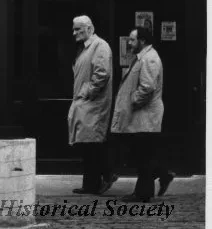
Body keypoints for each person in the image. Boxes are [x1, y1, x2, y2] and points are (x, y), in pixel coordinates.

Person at [110, 26, 174, 202]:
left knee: (143, 155)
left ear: (142, 41)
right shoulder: (143, 57)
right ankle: (161, 176)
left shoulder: (149, 59)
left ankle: (143, 193)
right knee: (143, 154)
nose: (129, 43)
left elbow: (147, 87)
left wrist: (133, 101)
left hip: (145, 116)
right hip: (141, 116)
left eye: (132, 40)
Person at [68, 15, 115, 195]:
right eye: (74, 29)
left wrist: (87, 92)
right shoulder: (87, 48)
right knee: (88, 144)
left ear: (89, 28)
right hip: (87, 103)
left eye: (78, 29)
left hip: (93, 104)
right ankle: (92, 183)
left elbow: (102, 74)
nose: (74, 33)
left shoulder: (99, 46)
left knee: (92, 144)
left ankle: (102, 177)